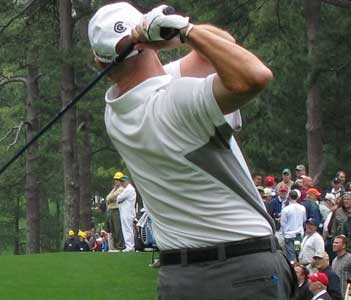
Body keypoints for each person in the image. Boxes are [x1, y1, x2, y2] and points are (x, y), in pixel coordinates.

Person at [89, 2, 280, 298]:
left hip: (180, 276)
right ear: (148, 41)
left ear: (99, 64)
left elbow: (221, 45)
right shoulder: (177, 101)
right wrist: (183, 31)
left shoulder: (115, 111)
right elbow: (254, 75)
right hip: (242, 267)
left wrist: (176, 38)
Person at [117, 174, 138, 252]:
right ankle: (129, 246)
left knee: (127, 230)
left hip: (127, 212)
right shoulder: (128, 189)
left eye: (123, 182)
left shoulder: (129, 189)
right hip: (126, 212)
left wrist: (119, 199)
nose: (122, 183)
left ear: (127, 181)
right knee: (126, 229)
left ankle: (130, 247)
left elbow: (119, 198)